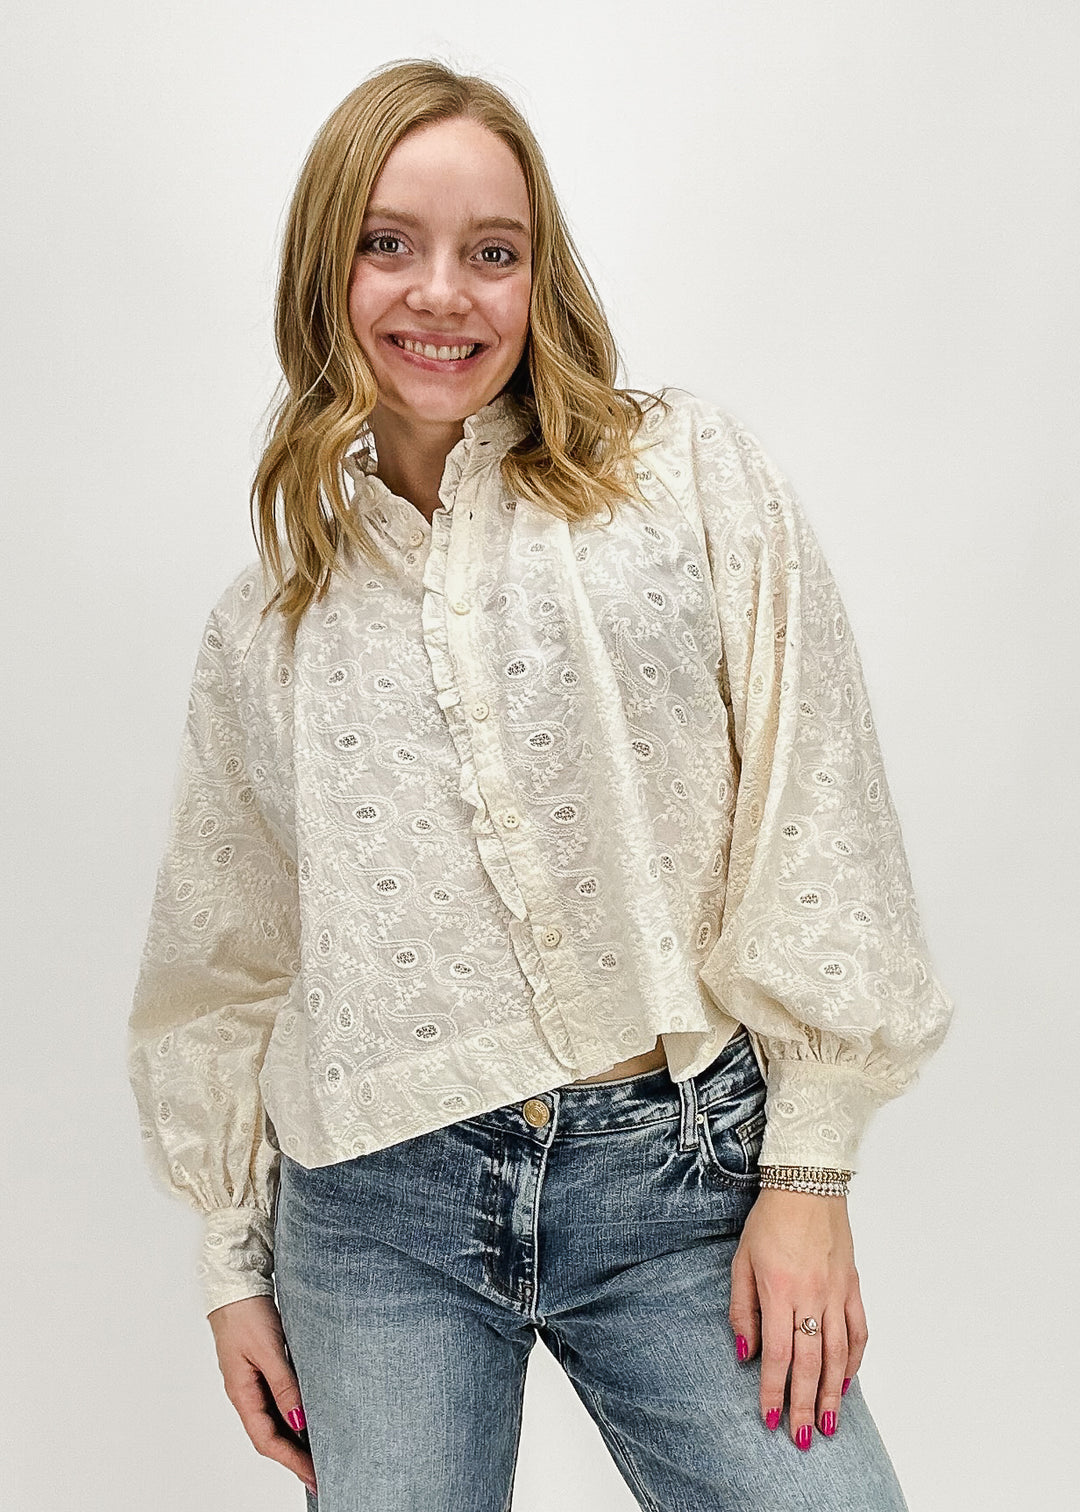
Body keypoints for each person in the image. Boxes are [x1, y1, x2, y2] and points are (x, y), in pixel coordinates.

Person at [126, 57, 954, 1512]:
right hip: (372, 1210)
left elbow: (816, 801)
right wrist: (227, 1266)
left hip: (684, 1183)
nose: (441, 293)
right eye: (390, 243)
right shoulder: (267, 623)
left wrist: (808, 1177)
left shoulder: (684, 479)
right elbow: (225, 962)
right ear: (326, 271)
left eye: (490, 254)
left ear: (537, 276)